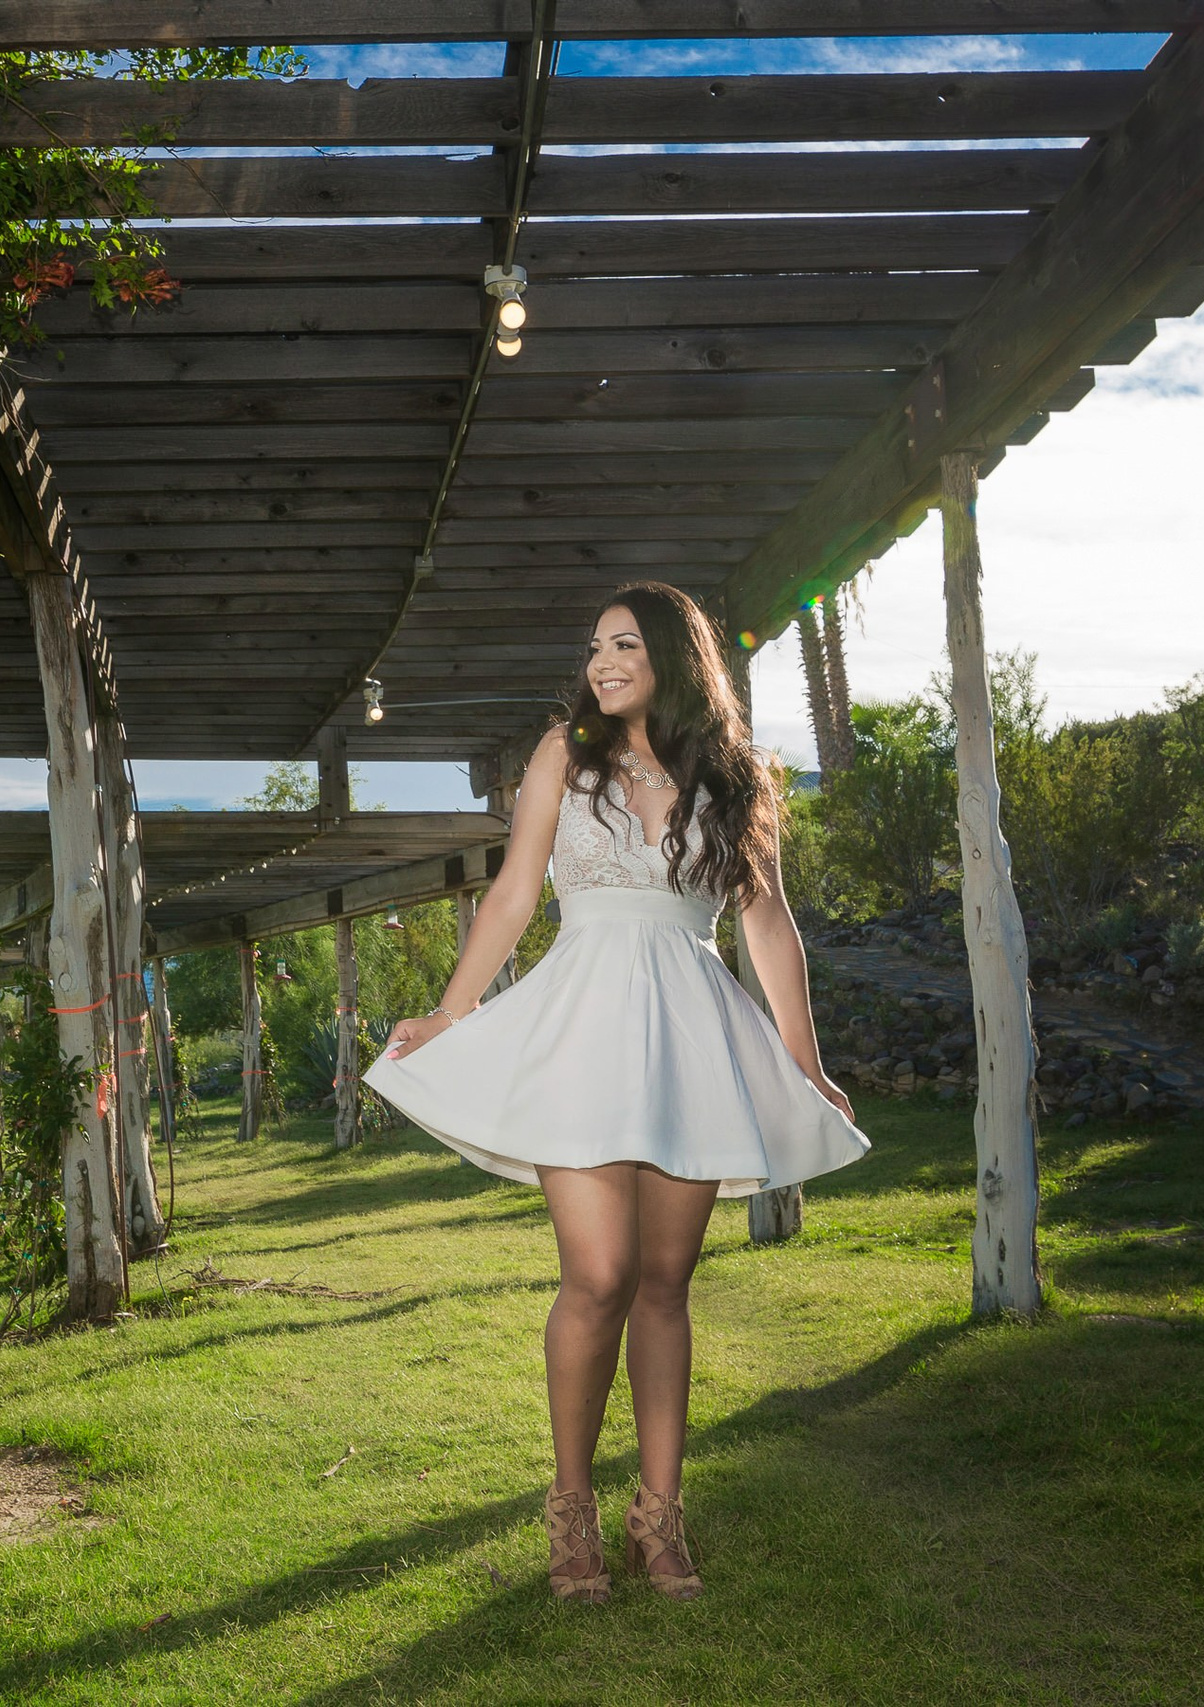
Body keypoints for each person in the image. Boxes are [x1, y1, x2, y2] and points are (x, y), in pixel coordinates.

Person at [367, 580, 869, 1604]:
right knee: (596, 1276)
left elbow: (766, 924)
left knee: (664, 1285)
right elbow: (513, 891)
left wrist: (804, 1063)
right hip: (584, 1025)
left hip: (693, 1030)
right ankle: (570, 1514)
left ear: (674, 659)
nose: (600, 661)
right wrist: (451, 1011)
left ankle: (659, 1518)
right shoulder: (564, 753)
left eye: (624, 644)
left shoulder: (735, 774)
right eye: (594, 644)